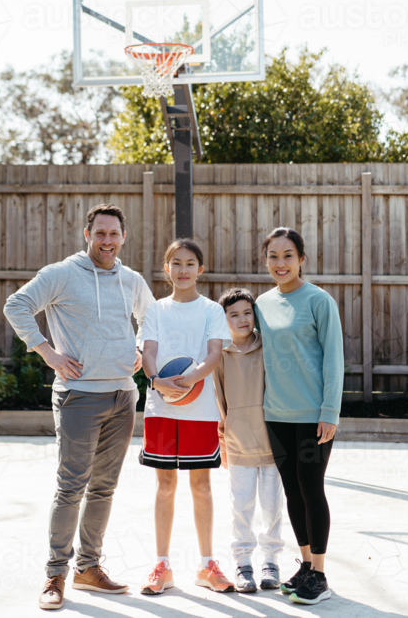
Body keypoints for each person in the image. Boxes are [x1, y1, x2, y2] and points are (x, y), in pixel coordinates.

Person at [3, 203, 155, 611]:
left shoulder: (132, 280)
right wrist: (48, 353)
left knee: (104, 488)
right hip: (78, 396)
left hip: (123, 395)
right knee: (71, 487)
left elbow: (151, 319)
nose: (107, 240)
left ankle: (90, 568)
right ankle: (56, 575)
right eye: (100, 233)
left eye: (114, 234)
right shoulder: (61, 274)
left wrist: (141, 345)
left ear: (124, 237)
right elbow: (15, 305)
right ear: (86, 235)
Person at [137, 239, 236, 596]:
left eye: (190, 263)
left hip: (200, 411)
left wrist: (195, 376)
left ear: (200, 269)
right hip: (161, 408)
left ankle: (207, 564)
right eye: (175, 263)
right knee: (165, 486)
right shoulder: (156, 310)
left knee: (202, 486)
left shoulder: (211, 310)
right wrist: (156, 380)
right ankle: (162, 564)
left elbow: (214, 354)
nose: (182, 270)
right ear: (167, 269)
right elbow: (148, 351)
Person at [255, 227, 343, 605]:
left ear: (301, 259)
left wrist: (330, 413)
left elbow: (334, 360)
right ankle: (305, 565)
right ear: (266, 260)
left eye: (288, 255)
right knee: (291, 492)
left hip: (312, 417)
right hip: (275, 415)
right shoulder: (261, 303)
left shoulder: (319, 301)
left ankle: (320, 574)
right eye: (273, 256)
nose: (280, 263)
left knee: (312, 489)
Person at [213, 287, 285, 593]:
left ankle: (271, 561)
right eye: (234, 315)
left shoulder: (269, 346)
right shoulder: (219, 354)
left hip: (272, 443)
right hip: (238, 442)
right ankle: (242, 563)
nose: (242, 319)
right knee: (241, 506)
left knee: (272, 507)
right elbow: (218, 401)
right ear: (224, 319)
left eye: (247, 312)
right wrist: (222, 440)